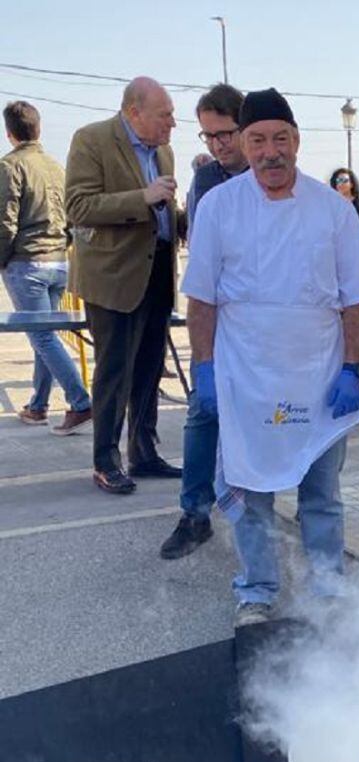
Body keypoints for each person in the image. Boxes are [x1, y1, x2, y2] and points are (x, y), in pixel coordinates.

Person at [182, 89, 359, 627]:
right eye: (258, 140)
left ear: (297, 141)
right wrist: (204, 369)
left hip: (316, 375)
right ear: (243, 146)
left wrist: (350, 367)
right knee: (249, 493)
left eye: (280, 139)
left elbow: (356, 297)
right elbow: (201, 298)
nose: (271, 152)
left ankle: (326, 590)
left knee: (321, 493)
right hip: (246, 375)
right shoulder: (219, 207)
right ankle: (257, 589)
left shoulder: (334, 211)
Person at [66, 76, 179, 494]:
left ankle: (144, 452)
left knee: (150, 368)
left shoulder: (165, 151)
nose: (173, 123)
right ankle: (105, 461)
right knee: (114, 371)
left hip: (158, 275)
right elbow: (78, 205)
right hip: (114, 278)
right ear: (135, 112)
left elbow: (164, 212)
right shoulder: (92, 140)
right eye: (165, 114)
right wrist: (141, 197)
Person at [160, 83, 247, 561]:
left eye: (225, 133)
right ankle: (195, 514)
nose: (217, 145)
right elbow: (201, 264)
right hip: (219, 317)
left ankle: (277, 507)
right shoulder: (207, 183)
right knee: (202, 413)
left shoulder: (271, 174)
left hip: (268, 327)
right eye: (209, 136)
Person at [0, 100, 92, 434]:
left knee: (41, 337)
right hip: (58, 262)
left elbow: (6, 222)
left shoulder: (10, 166)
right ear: (38, 129)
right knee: (47, 337)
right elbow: (72, 215)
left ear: (9, 133)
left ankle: (81, 402)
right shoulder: (56, 167)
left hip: (28, 263)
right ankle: (38, 405)